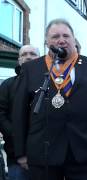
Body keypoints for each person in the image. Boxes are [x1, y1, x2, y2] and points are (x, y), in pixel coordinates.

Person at [12, 18, 87, 180]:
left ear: (74, 39)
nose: (61, 40)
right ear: (47, 42)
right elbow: (19, 113)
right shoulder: (30, 69)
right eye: (55, 37)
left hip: (86, 154)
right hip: (42, 156)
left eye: (66, 36)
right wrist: (20, 153)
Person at [0, 44, 40, 180]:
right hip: (16, 157)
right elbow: (1, 114)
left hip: (44, 157)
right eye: (24, 54)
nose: (28, 57)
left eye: (32, 54)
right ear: (19, 60)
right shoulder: (7, 85)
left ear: (40, 59)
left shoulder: (50, 83)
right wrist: (16, 138)